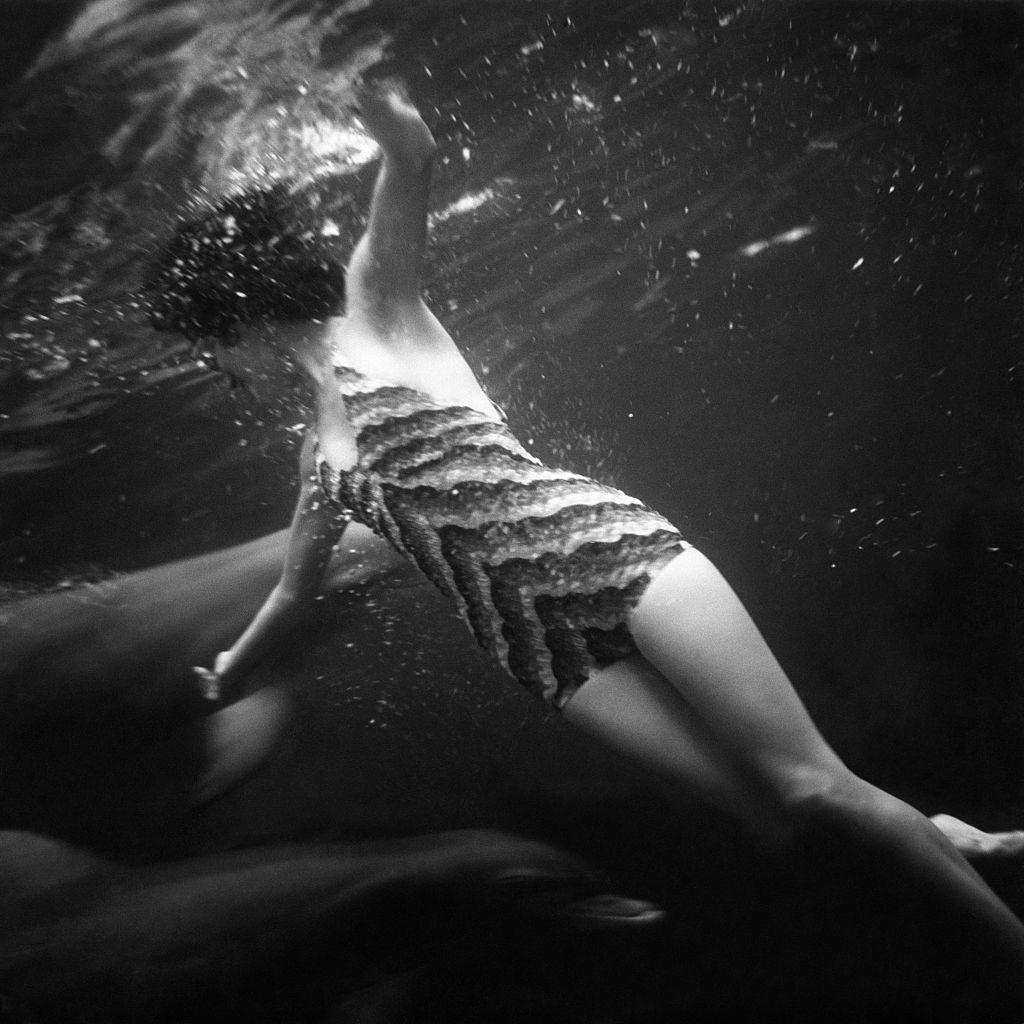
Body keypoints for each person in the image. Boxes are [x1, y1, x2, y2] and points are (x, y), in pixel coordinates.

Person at [151, 80, 1024, 1005]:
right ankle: (955, 842)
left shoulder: (379, 315)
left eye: (207, 348)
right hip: (543, 654)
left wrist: (393, 133)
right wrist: (236, 671)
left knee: (811, 789)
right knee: (782, 824)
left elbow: (413, 166)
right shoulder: (311, 461)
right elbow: (295, 591)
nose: (216, 371)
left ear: (232, 318)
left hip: (614, 557)